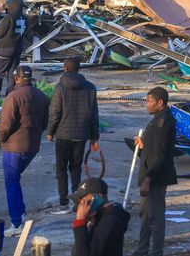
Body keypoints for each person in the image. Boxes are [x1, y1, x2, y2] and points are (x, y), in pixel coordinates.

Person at [0, 65, 50, 237]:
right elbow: (44, 123)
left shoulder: (13, 97)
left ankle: (17, 222)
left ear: (16, 78)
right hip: (32, 146)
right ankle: (20, 213)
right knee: (15, 180)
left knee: (11, 183)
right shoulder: (41, 96)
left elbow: (5, 125)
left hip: (14, 147)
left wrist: (2, 139)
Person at [47, 57, 100, 214]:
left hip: (63, 134)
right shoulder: (90, 87)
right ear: (79, 69)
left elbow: (55, 112)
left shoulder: (60, 87)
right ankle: (77, 202)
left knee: (61, 169)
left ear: (65, 68)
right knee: (76, 167)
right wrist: (94, 137)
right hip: (81, 135)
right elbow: (94, 115)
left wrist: (50, 131)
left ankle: (63, 203)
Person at [131, 87, 177, 256]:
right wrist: (143, 146)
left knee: (156, 218)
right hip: (149, 175)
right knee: (145, 215)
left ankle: (156, 252)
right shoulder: (157, 119)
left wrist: (148, 179)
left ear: (160, 102)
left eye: (149, 101)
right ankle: (142, 249)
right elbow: (154, 149)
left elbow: (161, 155)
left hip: (155, 178)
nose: (147, 105)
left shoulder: (163, 122)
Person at [71, 178, 130, 256]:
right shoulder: (98, 217)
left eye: (82, 199)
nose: (80, 205)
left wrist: (80, 222)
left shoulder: (108, 222)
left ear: (97, 198)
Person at [0, 0, 28, 97]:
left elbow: (0, 33)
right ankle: (10, 97)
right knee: (12, 75)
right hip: (17, 49)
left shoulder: (9, 17)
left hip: (4, 49)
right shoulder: (25, 18)